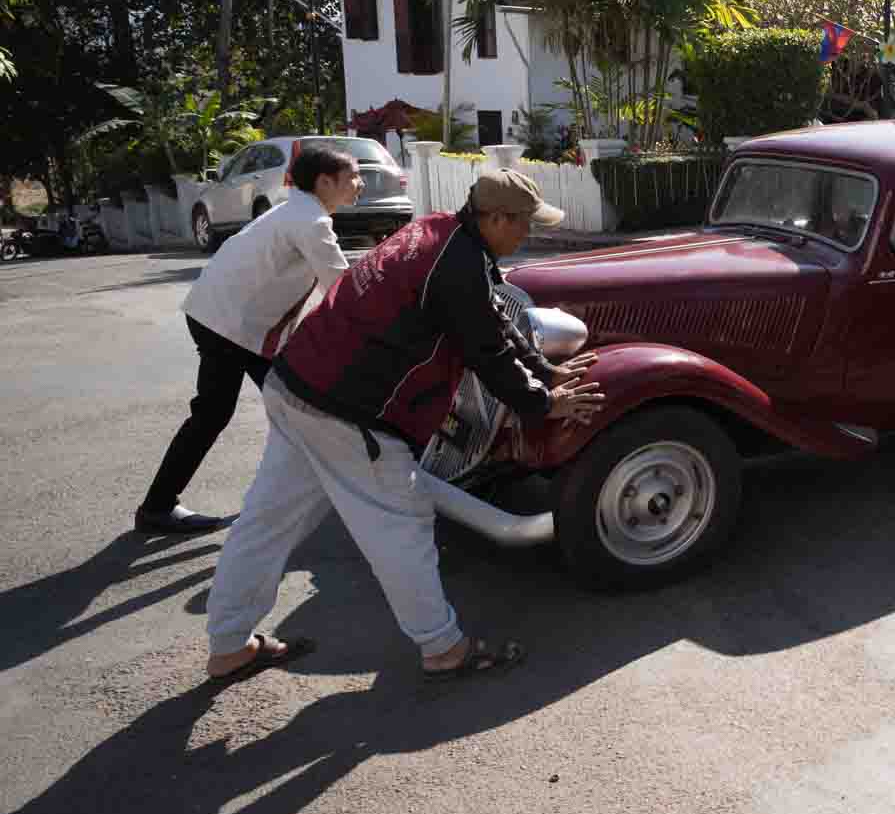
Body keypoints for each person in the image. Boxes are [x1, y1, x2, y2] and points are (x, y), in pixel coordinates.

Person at [201, 169, 604, 683]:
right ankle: (443, 649)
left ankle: (229, 645)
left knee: (266, 522)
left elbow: (496, 320)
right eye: (524, 224)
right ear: (498, 218)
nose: (529, 235)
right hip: (346, 412)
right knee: (402, 524)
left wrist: (545, 372)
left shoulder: (439, 233)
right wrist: (543, 403)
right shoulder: (457, 263)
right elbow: (486, 352)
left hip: (295, 382)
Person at [136, 143, 361, 534]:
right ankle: (157, 507)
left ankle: (314, 496)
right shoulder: (310, 222)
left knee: (293, 405)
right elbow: (343, 289)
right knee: (231, 412)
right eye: (352, 177)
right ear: (325, 181)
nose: (359, 184)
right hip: (229, 326)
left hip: (225, 319)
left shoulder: (298, 211)